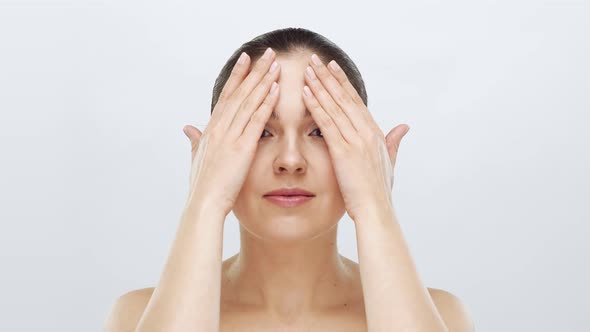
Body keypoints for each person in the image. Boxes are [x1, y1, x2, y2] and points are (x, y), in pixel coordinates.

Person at [104, 27, 475, 331]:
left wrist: (375, 207)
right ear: (205, 159)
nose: (291, 161)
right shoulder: (137, 317)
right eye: (262, 131)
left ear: (373, 157)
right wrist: (204, 202)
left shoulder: (442, 317)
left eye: (320, 132)